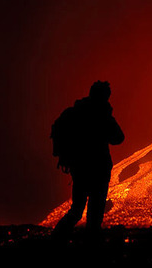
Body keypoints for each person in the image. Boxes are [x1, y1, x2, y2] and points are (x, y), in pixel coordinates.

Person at [52, 81, 124, 240]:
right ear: (105, 96)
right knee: (95, 211)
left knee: (76, 209)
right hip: (99, 167)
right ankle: (91, 246)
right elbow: (119, 138)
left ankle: (55, 240)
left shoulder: (75, 113)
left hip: (80, 168)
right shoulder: (103, 115)